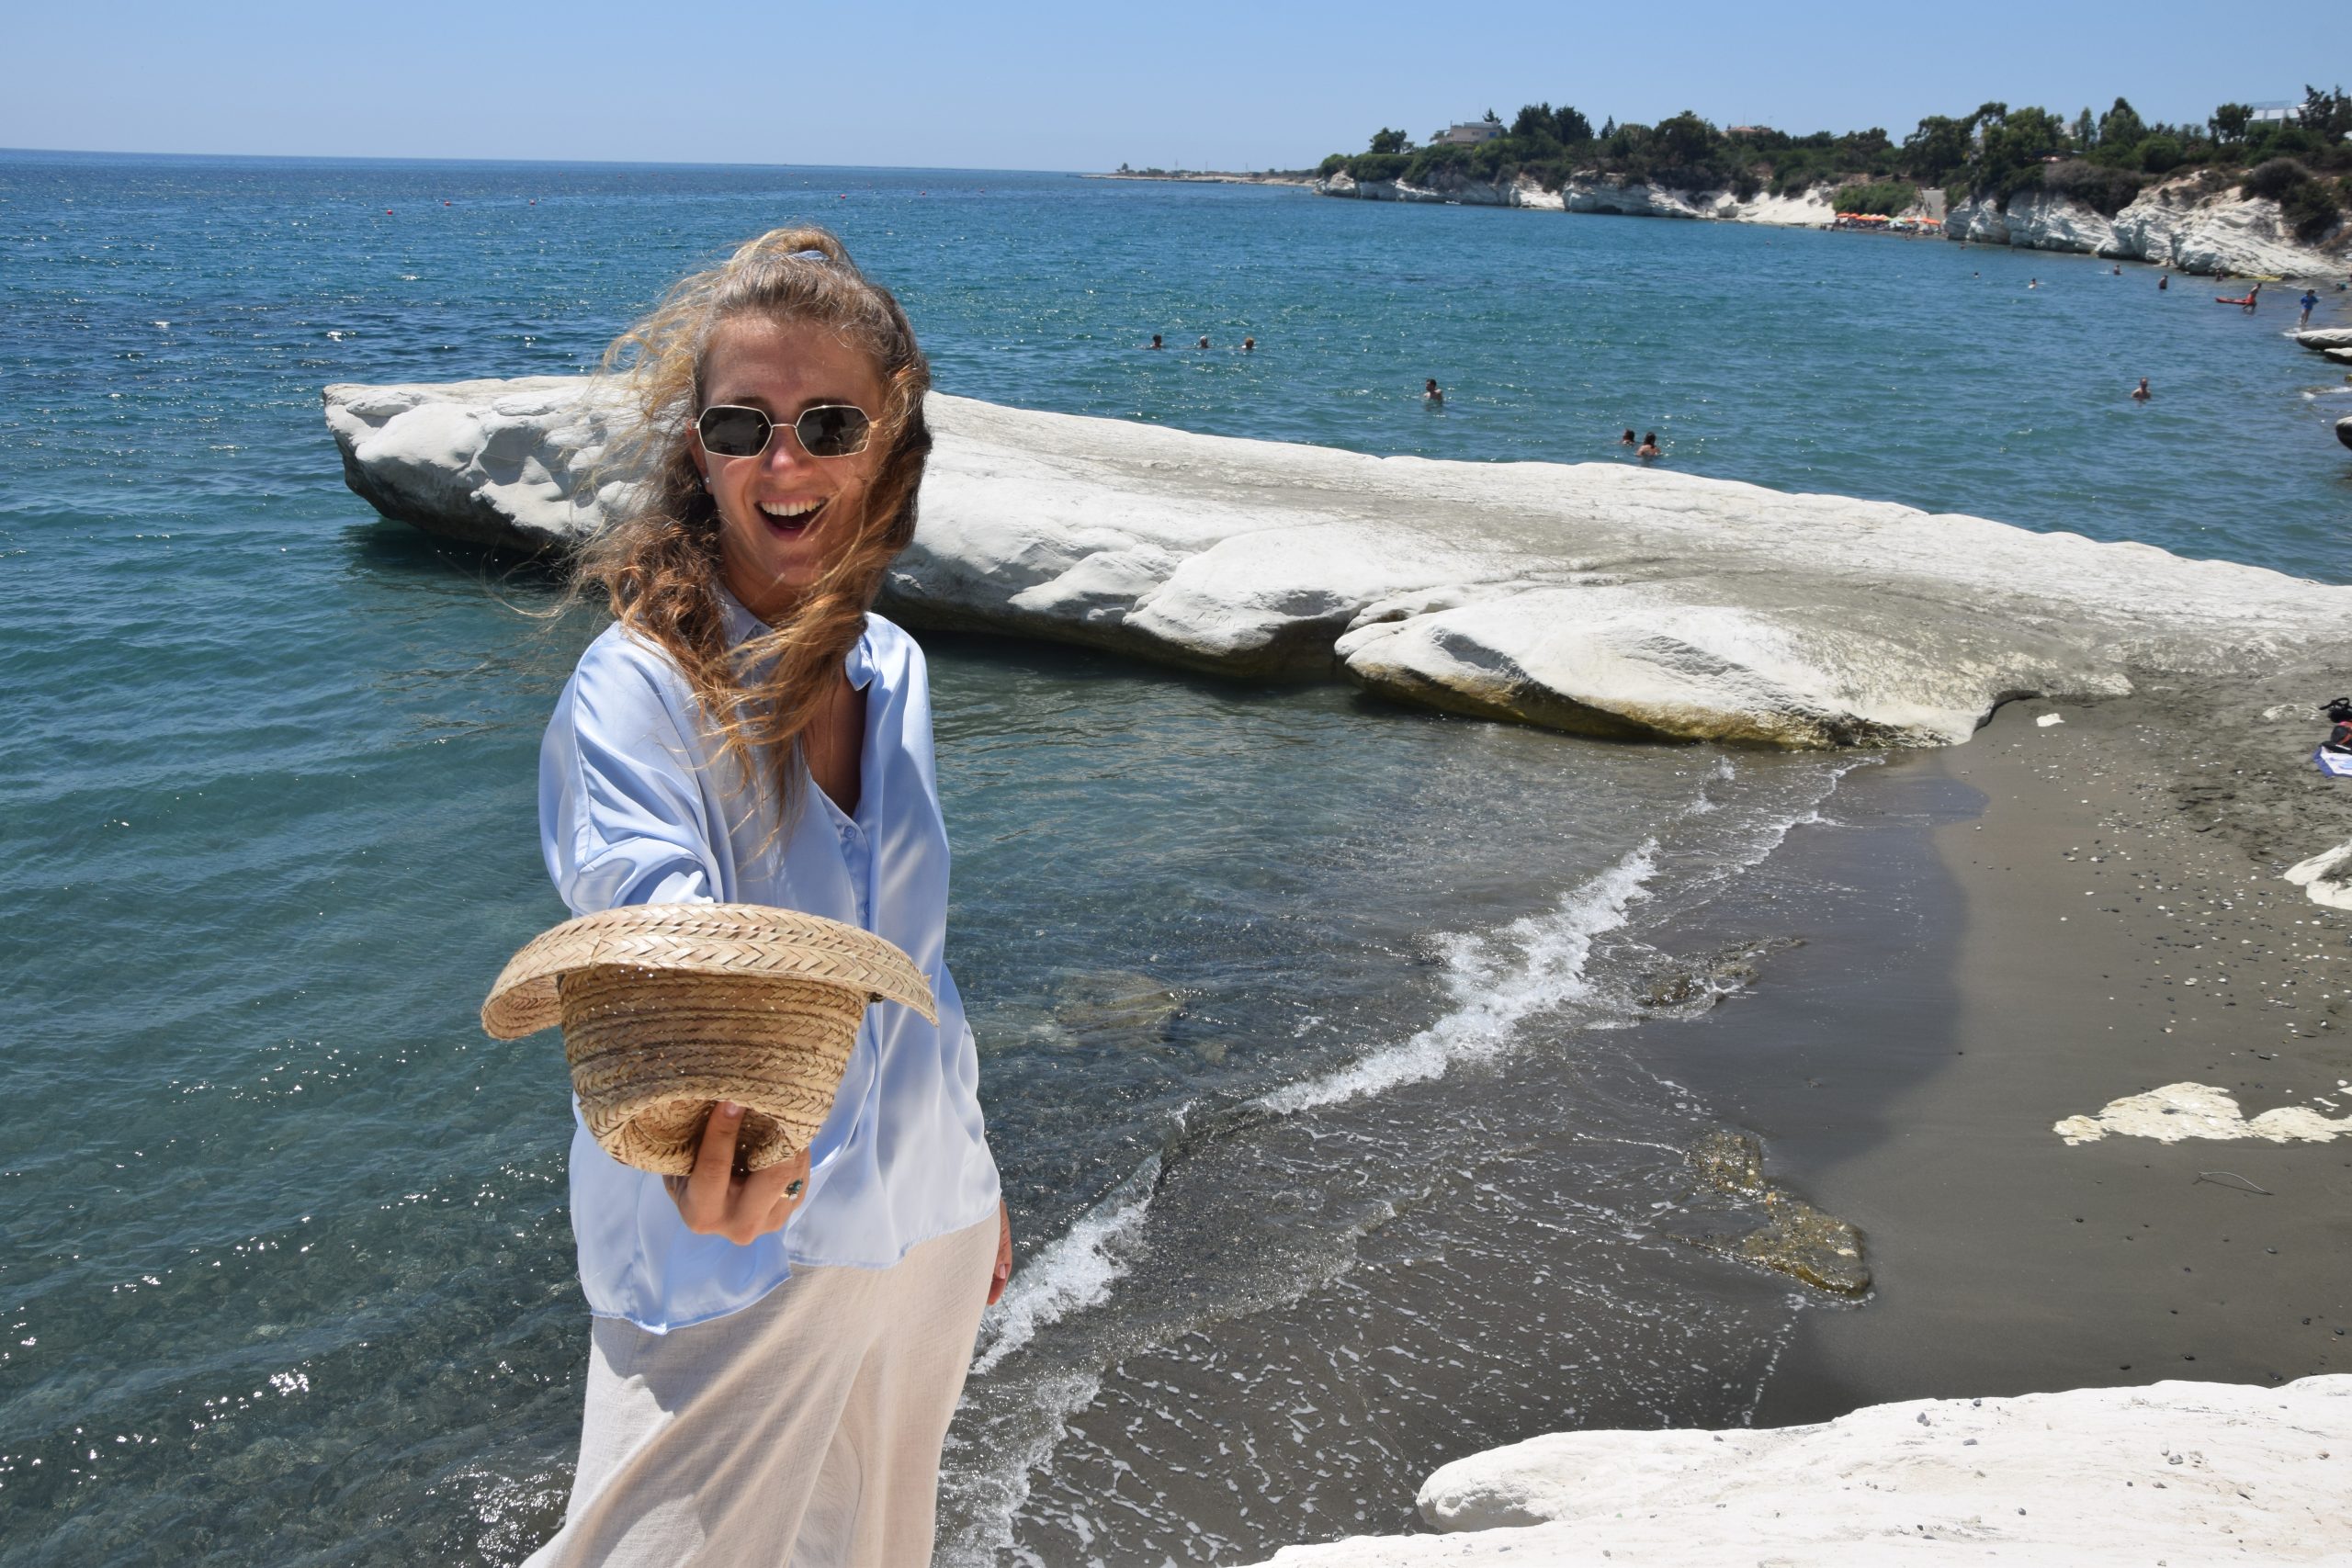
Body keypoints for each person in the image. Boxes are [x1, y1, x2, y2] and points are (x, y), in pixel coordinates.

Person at [526, 228, 1009, 1567]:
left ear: (889, 439)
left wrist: (973, 1166)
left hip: (929, 1225)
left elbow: (915, 964)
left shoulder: (894, 666)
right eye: (741, 425)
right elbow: (660, 931)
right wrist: (715, 1154)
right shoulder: (639, 688)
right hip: (738, 1242)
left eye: (827, 424)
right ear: (700, 450)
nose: (781, 463)